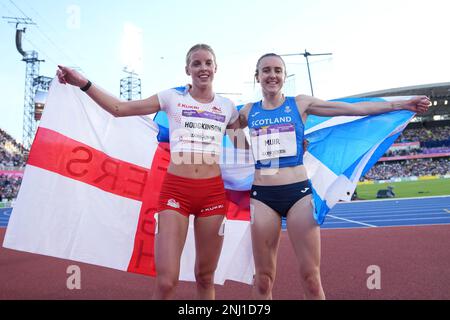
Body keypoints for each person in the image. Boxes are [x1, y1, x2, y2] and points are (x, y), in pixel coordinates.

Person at [238, 53, 430, 299]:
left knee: (311, 278)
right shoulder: (247, 111)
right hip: (263, 196)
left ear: (285, 76)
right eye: (266, 70)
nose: (272, 75)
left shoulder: (300, 104)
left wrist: (400, 104)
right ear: (257, 77)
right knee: (263, 281)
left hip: (297, 194)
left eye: (277, 70)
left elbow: (353, 109)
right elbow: (218, 132)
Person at [57, 44, 241, 300]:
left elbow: (245, 148)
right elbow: (120, 109)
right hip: (176, 192)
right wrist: (83, 83)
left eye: (208, 63)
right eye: (196, 63)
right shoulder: (172, 97)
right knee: (166, 282)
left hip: (212, 195)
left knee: (205, 278)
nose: (203, 68)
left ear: (216, 68)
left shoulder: (227, 107)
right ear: (187, 69)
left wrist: (295, 144)